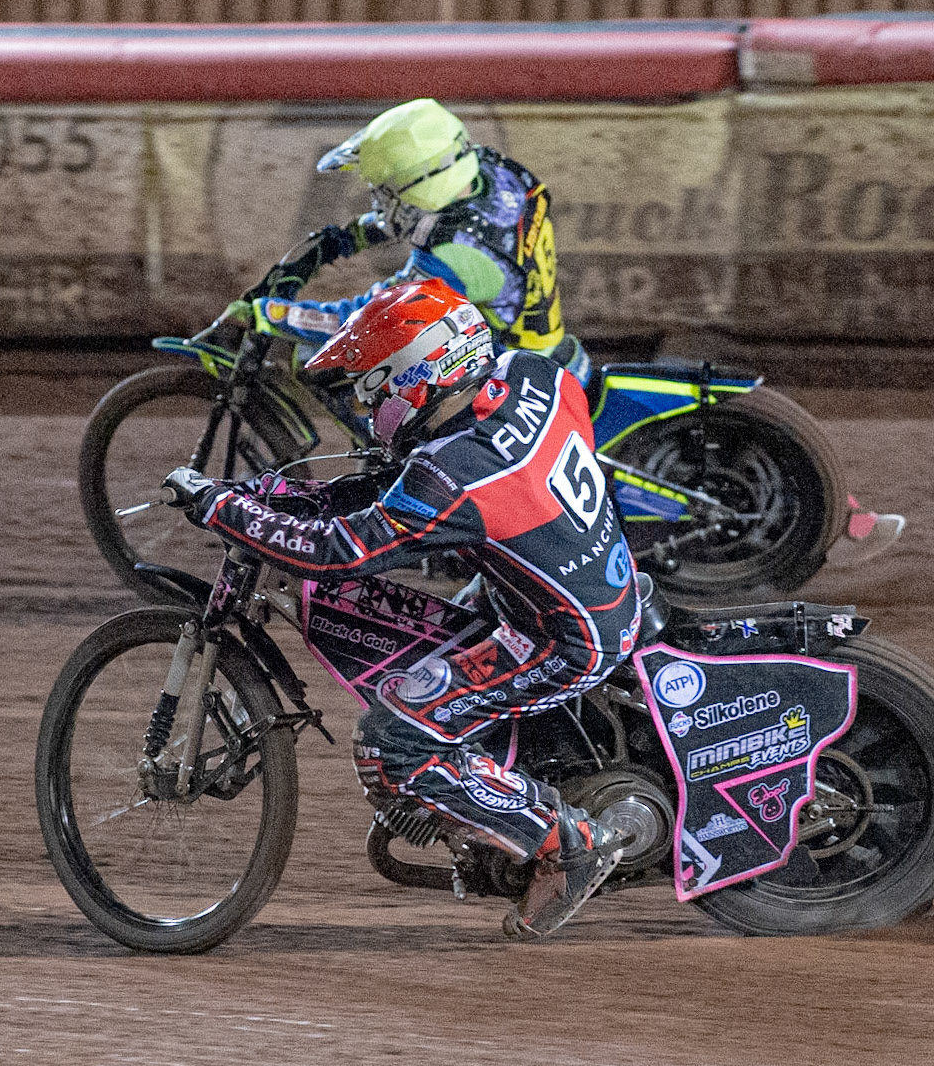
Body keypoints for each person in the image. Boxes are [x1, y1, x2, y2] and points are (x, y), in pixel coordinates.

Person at [167, 277, 639, 939]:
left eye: (373, 390)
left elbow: (335, 552)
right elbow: (391, 487)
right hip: (589, 575)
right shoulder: (533, 373)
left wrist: (223, 509)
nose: (367, 408)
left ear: (416, 376)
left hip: (564, 638)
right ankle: (490, 780)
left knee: (393, 738)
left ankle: (567, 841)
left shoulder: (454, 474)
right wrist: (265, 496)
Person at [220, 97, 591, 385]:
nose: (380, 200)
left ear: (421, 184)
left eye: (386, 190)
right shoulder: (493, 175)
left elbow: (368, 317)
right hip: (539, 344)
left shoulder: (454, 258)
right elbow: (427, 216)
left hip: (514, 376)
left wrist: (273, 315)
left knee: (371, 375)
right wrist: (348, 238)